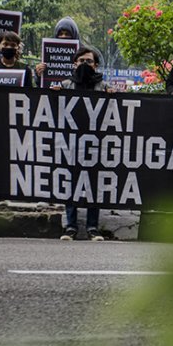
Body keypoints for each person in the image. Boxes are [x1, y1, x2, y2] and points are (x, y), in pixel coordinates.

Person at [55, 46, 113, 241]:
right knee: (70, 184)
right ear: (74, 64)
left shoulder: (104, 87)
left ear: (96, 65)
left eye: (89, 61)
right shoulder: (65, 85)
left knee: (93, 185)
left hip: (96, 145)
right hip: (70, 143)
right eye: (81, 61)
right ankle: (70, 227)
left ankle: (92, 227)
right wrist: (53, 95)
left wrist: (114, 97)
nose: (84, 65)